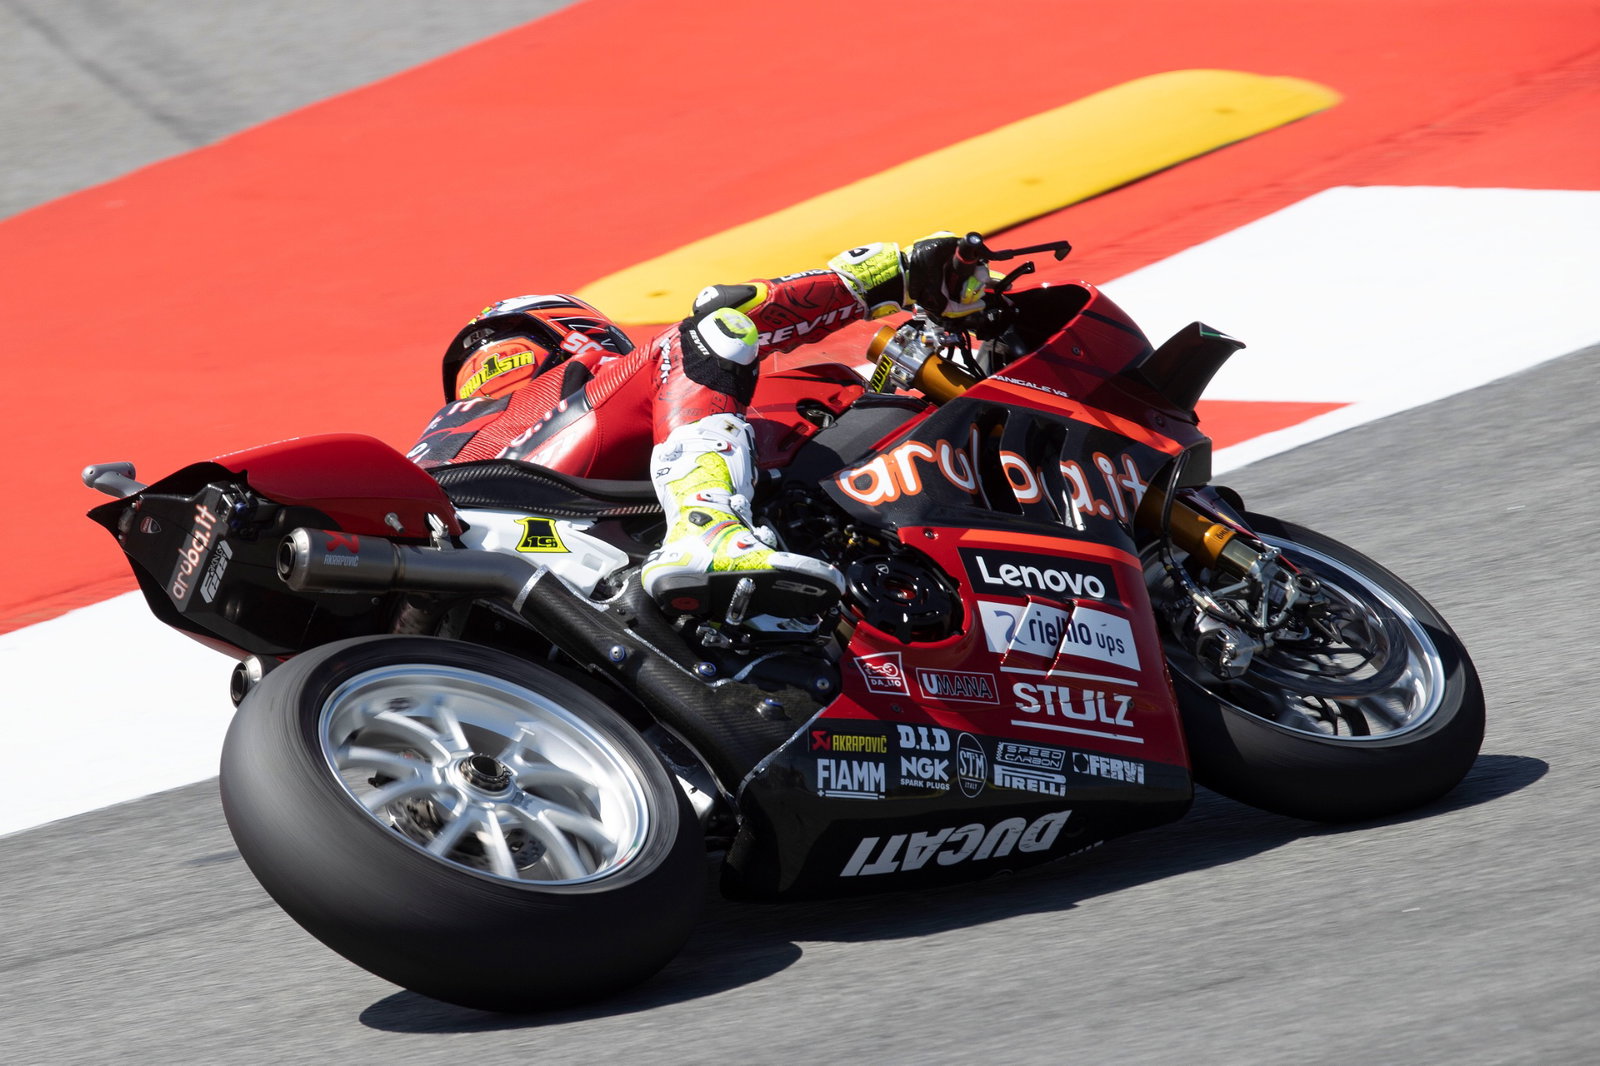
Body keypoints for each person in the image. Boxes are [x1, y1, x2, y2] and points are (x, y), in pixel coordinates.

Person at [407, 234, 987, 619]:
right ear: (574, 333)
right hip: (520, 500)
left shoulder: (450, 430)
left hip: (470, 542)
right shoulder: (583, 377)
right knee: (711, 334)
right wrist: (891, 277)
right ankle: (706, 529)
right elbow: (726, 310)